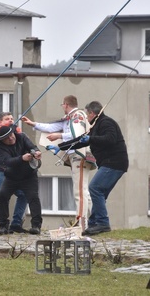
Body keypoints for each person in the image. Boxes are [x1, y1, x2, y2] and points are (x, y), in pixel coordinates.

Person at [56, 101, 128, 235]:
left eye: (86, 114)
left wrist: (90, 139)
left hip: (114, 163)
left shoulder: (106, 122)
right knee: (100, 193)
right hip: (110, 163)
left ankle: (102, 223)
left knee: (94, 188)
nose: (85, 117)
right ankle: (94, 223)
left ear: (91, 113)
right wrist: (60, 147)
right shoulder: (94, 126)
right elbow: (80, 140)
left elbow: (110, 138)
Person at [22, 95, 93, 230]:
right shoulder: (70, 118)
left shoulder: (78, 115)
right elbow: (51, 127)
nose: (62, 108)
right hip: (74, 156)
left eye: (62, 105)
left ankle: (81, 223)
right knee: (83, 191)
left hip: (79, 155)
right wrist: (33, 124)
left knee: (80, 191)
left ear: (66, 104)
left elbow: (77, 135)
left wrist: (59, 136)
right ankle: (89, 220)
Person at [0, 125, 43, 235]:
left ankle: (36, 225)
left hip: (29, 176)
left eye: (11, 135)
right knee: (2, 196)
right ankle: (3, 225)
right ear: (2, 140)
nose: (11, 138)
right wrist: (22, 158)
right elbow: (8, 161)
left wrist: (36, 152)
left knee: (33, 198)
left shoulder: (21, 137)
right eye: (7, 138)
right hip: (11, 177)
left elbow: (32, 146)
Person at [0, 112, 28, 233]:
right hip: (1, 170)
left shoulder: (16, 131)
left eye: (12, 119)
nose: (10, 121)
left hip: (15, 171)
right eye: (7, 119)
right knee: (3, 195)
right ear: (0, 122)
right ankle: (3, 225)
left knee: (24, 194)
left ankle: (16, 223)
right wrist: (10, 130)